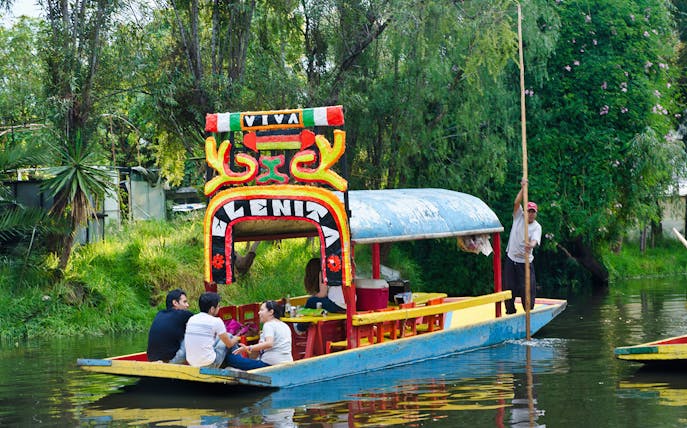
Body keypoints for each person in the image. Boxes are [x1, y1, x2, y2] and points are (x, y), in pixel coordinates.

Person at [503, 178, 542, 314]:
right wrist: (523, 189)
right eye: (529, 211)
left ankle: (528, 313)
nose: (530, 214)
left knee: (528, 290)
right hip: (511, 259)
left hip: (525, 262)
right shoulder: (519, 216)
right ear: (525, 211)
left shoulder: (537, 227)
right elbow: (516, 202)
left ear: (536, 214)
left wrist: (530, 245)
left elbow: (535, 241)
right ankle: (510, 312)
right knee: (509, 288)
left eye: (533, 212)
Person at [227, 300, 293, 370]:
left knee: (230, 358)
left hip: (269, 365)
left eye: (262, 310)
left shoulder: (269, 324)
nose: (259, 313)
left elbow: (269, 343)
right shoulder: (284, 325)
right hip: (287, 363)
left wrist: (248, 348)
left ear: (271, 312)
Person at [184, 292, 241, 368]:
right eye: (218, 306)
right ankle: (240, 361)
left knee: (220, 339)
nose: (219, 308)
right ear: (212, 309)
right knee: (230, 336)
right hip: (210, 363)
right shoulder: (216, 321)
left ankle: (235, 361)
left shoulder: (192, 319)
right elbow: (229, 344)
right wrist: (237, 338)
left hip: (191, 362)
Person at [294, 257, 346, 334]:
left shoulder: (324, 272)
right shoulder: (339, 270)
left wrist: (314, 297)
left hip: (337, 304)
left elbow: (322, 294)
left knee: (311, 301)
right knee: (318, 302)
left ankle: (300, 328)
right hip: (348, 304)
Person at [146, 289, 193, 363]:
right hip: (171, 361)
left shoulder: (159, 314)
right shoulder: (183, 314)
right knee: (194, 333)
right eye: (184, 302)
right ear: (175, 303)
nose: (187, 305)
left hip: (151, 359)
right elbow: (201, 322)